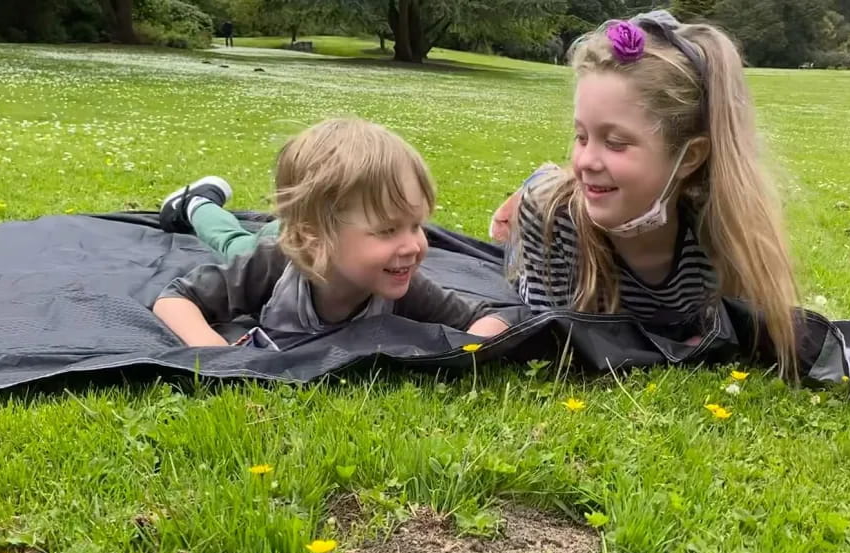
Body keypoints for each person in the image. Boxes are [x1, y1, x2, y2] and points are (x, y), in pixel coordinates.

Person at [491, 11, 799, 374]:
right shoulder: (551, 218)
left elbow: (744, 331)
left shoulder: (716, 226)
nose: (586, 160)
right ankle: (523, 196)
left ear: (690, 157)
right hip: (544, 209)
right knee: (544, 189)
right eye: (581, 137)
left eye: (616, 142)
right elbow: (558, 342)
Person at [153, 118, 521, 348]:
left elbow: (488, 317)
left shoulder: (403, 285)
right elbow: (175, 299)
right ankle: (197, 204)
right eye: (388, 230)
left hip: (305, 231)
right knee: (233, 242)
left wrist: (473, 347)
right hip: (274, 239)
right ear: (314, 235)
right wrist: (213, 349)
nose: (413, 246)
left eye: (417, 225)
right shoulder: (271, 265)